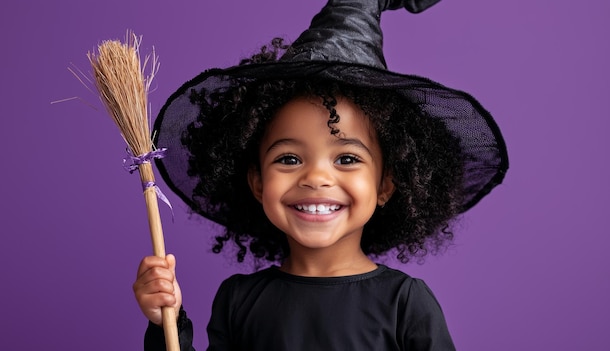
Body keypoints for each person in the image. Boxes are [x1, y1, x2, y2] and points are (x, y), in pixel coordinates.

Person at [134, 0, 509, 350]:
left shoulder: (405, 303)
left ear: (385, 185)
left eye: (346, 159)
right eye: (289, 159)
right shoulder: (238, 300)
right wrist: (164, 321)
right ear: (257, 182)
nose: (315, 176)